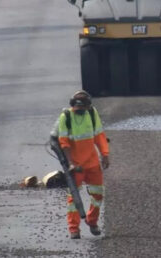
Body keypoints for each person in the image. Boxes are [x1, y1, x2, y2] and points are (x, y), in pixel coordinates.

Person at [55, 90, 110, 239]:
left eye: (82, 108)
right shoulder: (65, 117)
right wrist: (71, 164)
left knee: (98, 195)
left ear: (87, 107)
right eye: (77, 108)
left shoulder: (92, 114)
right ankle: (74, 229)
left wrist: (105, 155)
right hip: (76, 164)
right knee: (74, 198)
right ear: (73, 105)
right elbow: (64, 142)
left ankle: (92, 221)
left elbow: (99, 135)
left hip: (92, 163)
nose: (79, 111)